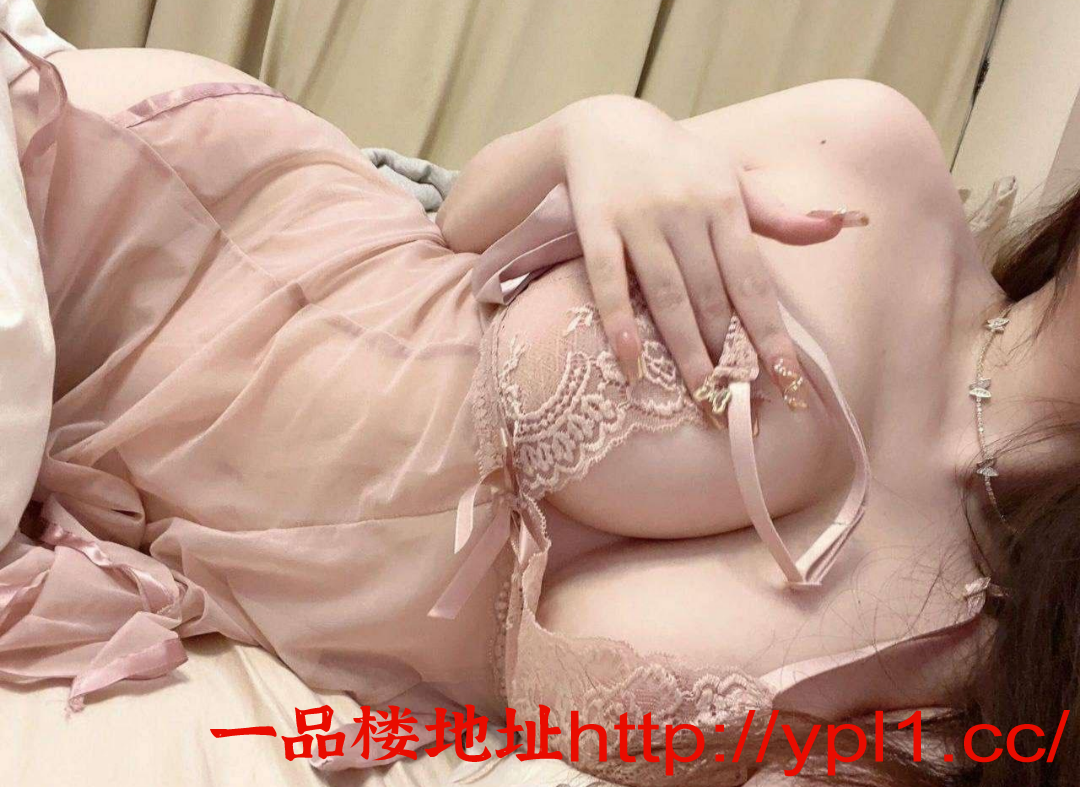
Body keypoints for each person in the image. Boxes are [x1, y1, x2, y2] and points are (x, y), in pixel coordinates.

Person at [3, 33, 1074, 786]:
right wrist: (599, 130)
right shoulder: (878, 156)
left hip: (137, 494)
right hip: (161, 234)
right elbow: (461, 220)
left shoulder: (1002, 664)